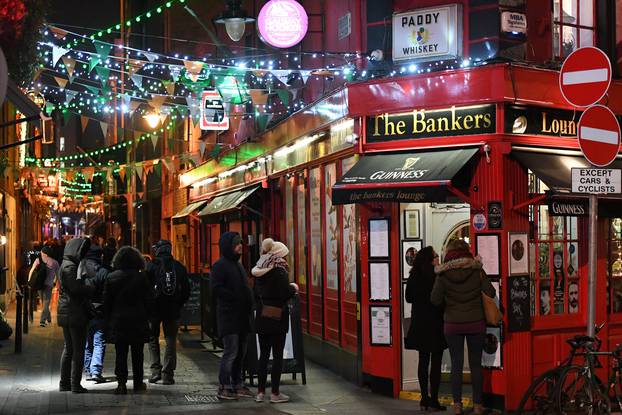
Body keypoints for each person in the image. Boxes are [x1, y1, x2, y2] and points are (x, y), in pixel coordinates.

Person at [431, 239, 496, 415]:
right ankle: (477, 405)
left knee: (456, 365)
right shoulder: (477, 270)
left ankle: (457, 405)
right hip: (476, 323)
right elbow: (491, 292)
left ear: (449, 253)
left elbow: (435, 300)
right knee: (476, 365)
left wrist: (448, 302)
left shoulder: (443, 274)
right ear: (467, 252)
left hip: (452, 324)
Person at [251, 240, 298, 404]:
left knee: (263, 355)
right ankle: (275, 393)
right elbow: (285, 293)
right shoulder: (280, 271)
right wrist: (294, 288)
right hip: (277, 317)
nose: (286, 258)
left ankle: (260, 392)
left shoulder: (258, 270)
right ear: (279, 255)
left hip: (262, 317)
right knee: (277, 355)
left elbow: (255, 293)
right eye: (285, 255)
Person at [103, 246, 153, 395]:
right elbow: (149, 300)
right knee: (138, 353)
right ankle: (138, 383)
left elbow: (106, 302)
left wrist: (107, 321)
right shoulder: (142, 277)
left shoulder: (111, 277)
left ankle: (121, 384)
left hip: (119, 321)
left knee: (121, 353)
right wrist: (150, 317)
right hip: (138, 320)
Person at [210, 232, 254, 400]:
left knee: (241, 353)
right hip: (229, 317)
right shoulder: (220, 265)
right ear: (228, 246)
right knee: (231, 352)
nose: (240, 246)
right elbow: (216, 289)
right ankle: (224, 386)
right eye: (237, 244)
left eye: (240, 243)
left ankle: (237, 383)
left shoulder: (238, 265)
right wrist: (235, 297)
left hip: (241, 317)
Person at [405, 246, 447, 411]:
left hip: (420, 324)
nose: (438, 258)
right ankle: (434, 400)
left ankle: (424, 399)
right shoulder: (437, 276)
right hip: (436, 324)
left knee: (423, 361)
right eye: (436, 256)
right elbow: (442, 300)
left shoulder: (414, 275)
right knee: (436, 362)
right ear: (430, 260)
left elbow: (408, 297)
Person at [146, 240, 190, 385]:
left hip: (154, 310)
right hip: (173, 309)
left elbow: (145, 287)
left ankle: (155, 371)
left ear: (158, 250)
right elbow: (186, 291)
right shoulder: (179, 267)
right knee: (171, 340)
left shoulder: (151, 266)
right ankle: (168, 374)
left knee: (153, 338)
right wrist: (178, 304)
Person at [57, 237, 93, 393]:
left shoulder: (66, 265)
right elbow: (76, 289)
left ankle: (65, 383)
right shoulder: (70, 267)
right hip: (73, 312)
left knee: (69, 348)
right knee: (77, 349)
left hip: (67, 311)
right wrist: (89, 287)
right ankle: (74, 384)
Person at [81, 244, 109, 383]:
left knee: (88, 341)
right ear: (100, 256)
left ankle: (87, 370)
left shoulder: (81, 268)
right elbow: (108, 291)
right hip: (100, 310)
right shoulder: (104, 271)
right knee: (99, 341)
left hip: (85, 309)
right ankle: (96, 371)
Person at [28, 246, 60, 327]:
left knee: (44, 303)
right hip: (48, 285)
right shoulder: (55, 262)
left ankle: (47, 319)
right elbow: (58, 275)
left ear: (44, 253)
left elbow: (32, 270)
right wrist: (58, 284)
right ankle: (43, 321)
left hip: (39, 284)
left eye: (41, 252)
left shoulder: (38, 260)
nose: (40, 253)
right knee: (46, 303)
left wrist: (29, 281)